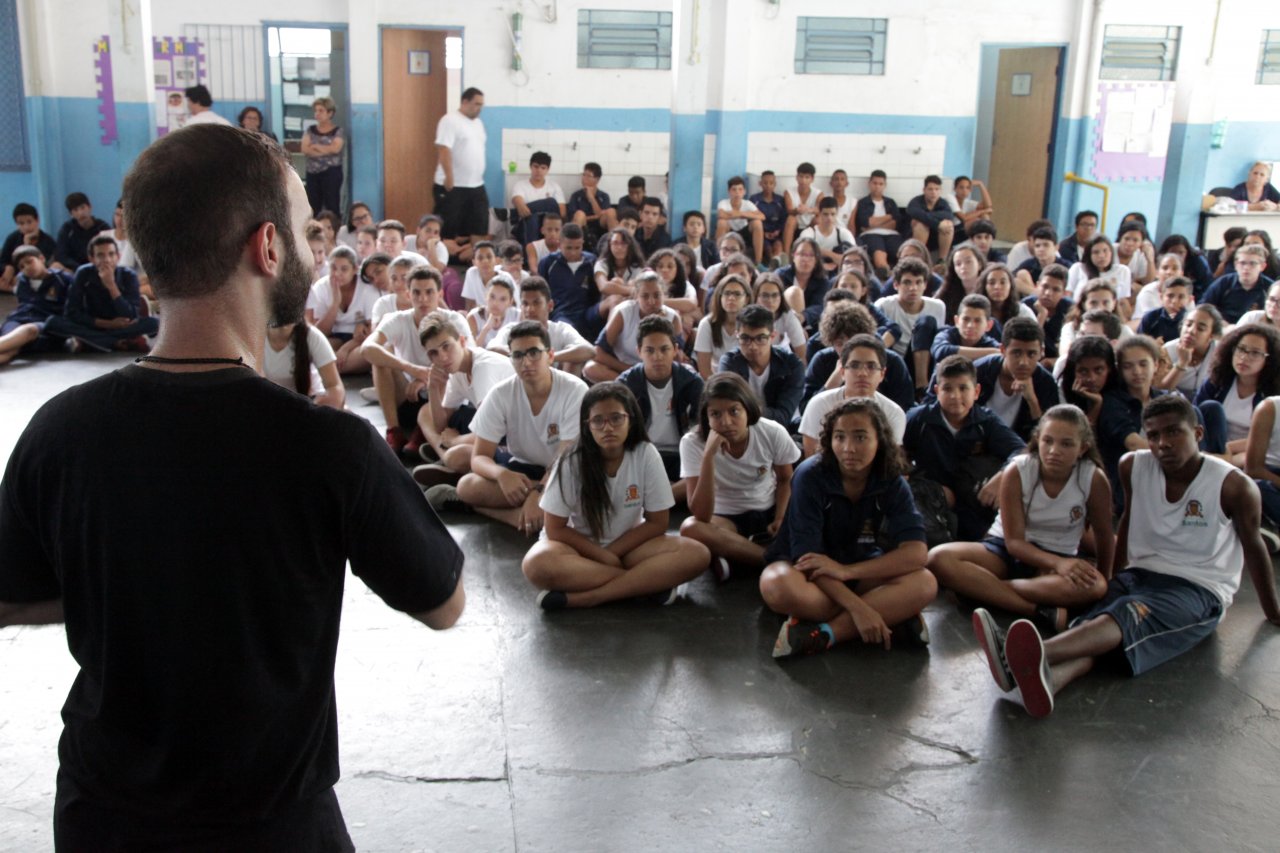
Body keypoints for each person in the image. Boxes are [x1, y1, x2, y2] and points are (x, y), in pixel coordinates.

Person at [0, 123, 464, 848]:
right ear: (268, 246)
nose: (314, 249)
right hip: (269, 824)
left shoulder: (59, 430)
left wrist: (139, 580)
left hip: (103, 817)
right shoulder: (325, 446)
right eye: (308, 230)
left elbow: (12, 595)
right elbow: (443, 598)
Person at [974, 395, 1280, 718]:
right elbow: (1129, 522)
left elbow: (1254, 547)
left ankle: (1024, 656)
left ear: (1198, 434)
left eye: (1174, 433)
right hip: (1139, 574)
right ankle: (1052, 681)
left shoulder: (1233, 486)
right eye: (1153, 435)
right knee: (1093, 625)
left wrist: (1273, 611)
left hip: (1198, 587)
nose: (1163, 443)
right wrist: (1114, 578)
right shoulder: (1134, 466)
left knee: (1123, 615)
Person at [763, 398, 936, 656]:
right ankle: (890, 614)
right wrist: (860, 608)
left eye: (860, 438)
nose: (848, 448)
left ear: (880, 440)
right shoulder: (811, 474)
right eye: (839, 437)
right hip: (804, 571)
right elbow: (806, 558)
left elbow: (916, 553)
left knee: (926, 583)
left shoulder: (891, 479)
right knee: (776, 586)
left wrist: (846, 571)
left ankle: (826, 634)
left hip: (856, 569)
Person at [930, 404, 1113, 642]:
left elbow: (1104, 535)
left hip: (1053, 561)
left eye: (1066, 444)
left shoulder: (1092, 478)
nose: (1054, 451)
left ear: (1083, 448)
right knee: (938, 557)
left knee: (1095, 587)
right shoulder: (1018, 470)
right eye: (1048, 441)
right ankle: (1037, 611)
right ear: (1038, 440)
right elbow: (1014, 543)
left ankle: (983, 590)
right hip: (1003, 551)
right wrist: (1059, 565)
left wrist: (1108, 581)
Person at [522, 382, 710, 609]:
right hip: (577, 552)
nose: (607, 427)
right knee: (536, 565)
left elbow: (657, 522)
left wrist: (612, 552)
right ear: (587, 425)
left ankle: (587, 598)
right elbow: (555, 528)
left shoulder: (645, 453)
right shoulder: (571, 460)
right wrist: (602, 555)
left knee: (697, 553)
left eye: (616, 418)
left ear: (630, 419)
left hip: (630, 547)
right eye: (598, 421)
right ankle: (645, 584)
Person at [432, 321, 588, 531]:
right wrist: (502, 475)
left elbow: (565, 459)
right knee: (466, 486)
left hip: (566, 473)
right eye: (518, 355)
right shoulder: (501, 394)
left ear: (550, 356)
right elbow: (479, 457)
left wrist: (539, 491)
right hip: (524, 469)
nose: (526, 362)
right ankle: (534, 517)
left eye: (534, 352)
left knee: (580, 496)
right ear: (511, 359)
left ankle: (487, 510)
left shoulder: (574, 390)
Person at [678, 373, 800, 582]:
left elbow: (785, 479)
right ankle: (768, 558)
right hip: (724, 519)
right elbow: (701, 514)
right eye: (715, 414)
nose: (725, 422)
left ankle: (737, 556)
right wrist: (708, 456)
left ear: (748, 409)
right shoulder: (692, 442)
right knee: (691, 528)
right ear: (706, 417)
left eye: (734, 411)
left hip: (767, 511)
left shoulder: (771, 431)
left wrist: (780, 517)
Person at [902, 355, 1027, 540]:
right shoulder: (918, 419)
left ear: (976, 391)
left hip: (973, 497)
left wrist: (1001, 477)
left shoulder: (986, 421)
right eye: (947, 388)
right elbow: (896, 452)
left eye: (963, 388)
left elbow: (1020, 451)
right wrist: (920, 482)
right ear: (936, 391)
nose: (955, 396)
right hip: (931, 498)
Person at [361, 266, 470, 452]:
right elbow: (367, 348)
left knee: (448, 369)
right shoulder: (397, 319)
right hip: (407, 394)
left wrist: (426, 378)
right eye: (417, 293)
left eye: (429, 292)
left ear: (439, 294)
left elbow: (467, 360)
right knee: (379, 360)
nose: (423, 299)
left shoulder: (454, 320)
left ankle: (424, 430)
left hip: (444, 401)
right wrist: (412, 369)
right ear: (408, 294)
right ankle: (393, 430)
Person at [412, 310, 516, 486]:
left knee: (456, 455)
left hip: (518, 438)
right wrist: (433, 388)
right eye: (434, 353)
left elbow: (490, 433)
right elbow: (440, 425)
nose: (442, 357)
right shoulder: (457, 370)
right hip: (497, 431)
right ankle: (452, 463)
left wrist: (453, 441)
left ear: (462, 341)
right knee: (425, 413)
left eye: (446, 346)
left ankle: (450, 462)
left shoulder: (483, 368)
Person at [618, 315, 703, 501]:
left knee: (711, 468)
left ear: (675, 350)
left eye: (664, 349)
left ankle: (657, 498)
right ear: (639, 351)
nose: (657, 357)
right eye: (650, 350)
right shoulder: (625, 384)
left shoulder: (692, 382)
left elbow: (702, 430)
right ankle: (666, 496)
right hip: (642, 455)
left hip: (681, 456)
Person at [44, 234, 158, 353]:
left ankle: (92, 343)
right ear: (91, 258)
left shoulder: (128, 275)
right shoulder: (83, 273)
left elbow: (131, 315)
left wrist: (111, 286)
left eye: (111, 254)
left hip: (121, 327)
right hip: (93, 325)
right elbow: (71, 312)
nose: (107, 260)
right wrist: (108, 324)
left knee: (154, 323)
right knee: (51, 322)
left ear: (118, 257)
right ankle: (114, 343)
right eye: (100, 255)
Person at [799, 334, 907, 455]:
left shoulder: (894, 412)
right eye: (855, 366)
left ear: (882, 374)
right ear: (843, 372)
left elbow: (889, 461)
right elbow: (812, 459)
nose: (862, 373)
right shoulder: (820, 404)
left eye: (871, 366)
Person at [1195, 323, 1280, 466]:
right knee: (1211, 407)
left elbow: (1269, 438)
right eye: (1241, 349)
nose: (1244, 357)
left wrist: (1228, 452)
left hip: (1250, 453)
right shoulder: (1217, 381)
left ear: (1269, 360)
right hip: (1207, 447)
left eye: (1255, 353)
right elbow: (1194, 416)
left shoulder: (1273, 395)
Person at [1099, 335, 1168, 509]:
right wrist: (1179, 455)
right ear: (1120, 370)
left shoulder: (1164, 399)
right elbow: (1133, 444)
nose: (1137, 372)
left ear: (1156, 365)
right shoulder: (1112, 402)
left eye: (1143, 364)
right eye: (1128, 366)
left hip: (1166, 471)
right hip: (1129, 481)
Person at [584, 270, 683, 383]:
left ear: (664, 295)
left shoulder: (673, 317)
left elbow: (677, 358)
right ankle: (632, 390)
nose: (651, 301)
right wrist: (631, 371)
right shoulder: (623, 313)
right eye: (645, 296)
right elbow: (597, 352)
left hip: (657, 370)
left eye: (657, 295)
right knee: (591, 369)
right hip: (624, 369)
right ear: (636, 296)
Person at [717, 304, 806, 427]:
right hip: (740, 429)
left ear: (773, 336)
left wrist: (745, 408)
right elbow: (727, 408)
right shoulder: (729, 362)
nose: (752, 346)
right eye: (745, 338)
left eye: (760, 338)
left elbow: (783, 417)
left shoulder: (792, 365)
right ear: (737, 335)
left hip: (784, 433)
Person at [971, 317, 1060, 440]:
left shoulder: (1046, 383)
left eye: (1031, 354)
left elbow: (1047, 438)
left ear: (1041, 352)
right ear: (1003, 350)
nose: (1023, 362)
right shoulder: (978, 372)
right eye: (1016, 353)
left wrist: (1032, 401)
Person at [486, 276, 594, 373]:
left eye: (536, 303)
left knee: (575, 357)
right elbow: (491, 348)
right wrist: (521, 355)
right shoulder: (511, 330)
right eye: (525, 303)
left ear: (550, 305)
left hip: (556, 389)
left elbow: (589, 350)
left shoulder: (560, 329)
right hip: (520, 388)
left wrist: (547, 357)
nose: (530, 309)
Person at [874, 256, 946, 393]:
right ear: (896, 285)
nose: (913, 288)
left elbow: (938, 343)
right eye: (907, 283)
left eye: (918, 282)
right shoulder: (884, 305)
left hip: (925, 363)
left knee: (927, 322)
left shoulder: (938, 306)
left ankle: (922, 388)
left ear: (925, 285)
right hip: (894, 362)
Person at [434, 88, 489, 249]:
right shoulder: (450, 120)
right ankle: (445, 265)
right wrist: (449, 176)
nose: (479, 108)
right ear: (465, 102)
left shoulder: (478, 123)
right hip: (453, 185)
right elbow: (444, 148)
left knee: (479, 224)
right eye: (476, 104)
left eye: (481, 105)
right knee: (448, 228)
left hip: (476, 184)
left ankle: (476, 260)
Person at [0, 246, 72, 363]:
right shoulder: (22, 281)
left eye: (30, 262)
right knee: (10, 350)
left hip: (44, 322)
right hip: (18, 319)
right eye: (22, 267)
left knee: (29, 330)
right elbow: (22, 305)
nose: (27, 268)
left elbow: (72, 307)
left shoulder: (62, 279)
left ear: (42, 258)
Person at [539, 223, 605, 339]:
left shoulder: (592, 261)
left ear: (582, 244)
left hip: (587, 312)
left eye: (577, 248)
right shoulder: (547, 263)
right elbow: (542, 293)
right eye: (569, 248)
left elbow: (597, 294)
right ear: (559, 244)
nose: (573, 252)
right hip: (561, 313)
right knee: (568, 330)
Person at [263, 319, 344, 409]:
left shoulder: (313, 336)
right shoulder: (253, 337)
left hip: (311, 404)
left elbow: (335, 386)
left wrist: (317, 406)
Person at [1200, 243, 1273, 324]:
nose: (1246, 268)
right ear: (1236, 265)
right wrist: (1219, 323)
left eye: (1252, 263)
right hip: (1223, 327)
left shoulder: (1269, 288)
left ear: (1262, 266)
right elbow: (1204, 307)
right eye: (1242, 263)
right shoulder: (1223, 283)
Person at [694, 274, 750, 378]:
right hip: (716, 380)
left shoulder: (753, 324)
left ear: (746, 299)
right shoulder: (707, 324)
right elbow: (704, 370)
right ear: (720, 297)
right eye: (727, 293)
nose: (731, 298)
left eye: (737, 294)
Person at [855, 170, 904, 277]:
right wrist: (888, 217)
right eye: (875, 183)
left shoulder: (890, 202)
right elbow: (866, 222)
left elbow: (895, 224)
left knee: (902, 252)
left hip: (892, 234)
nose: (877, 186)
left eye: (880, 184)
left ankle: (905, 272)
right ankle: (886, 272)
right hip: (870, 235)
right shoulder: (863, 202)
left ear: (885, 185)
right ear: (869, 184)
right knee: (878, 252)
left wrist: (873, 224)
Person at [1059, 335, 1117, 427]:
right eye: (1083, 371)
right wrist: (1097, 405)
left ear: (1109, 368)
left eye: (1098, 370)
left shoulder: (1121, 391)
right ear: (1073, 371)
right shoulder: (1063, 389)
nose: (1091, 378)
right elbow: (1077, 437)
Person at [510, 151, 566, 245]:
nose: (539, 171)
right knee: (533, 218)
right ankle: (532, 256)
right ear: (530, 167)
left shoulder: (554, 187)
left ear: (547, 169)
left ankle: (511, 214)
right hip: (525, 226)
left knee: (551, 202)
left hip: (549, 226)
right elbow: (522, 210)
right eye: (536, 166)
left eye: (543, 168)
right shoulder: (520, 185)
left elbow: (562, 213)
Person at [301, 97, 345, 218]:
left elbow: (336, 149)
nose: (317, 114)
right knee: (313, 205)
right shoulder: (310, 130)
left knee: (332, 204)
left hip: (331, 173)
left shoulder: (337, 131)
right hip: (312, 173)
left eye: (321, 110)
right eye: (316, 111)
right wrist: (326, 149)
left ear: (330, 113)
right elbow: (305, 149)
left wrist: (315, 146)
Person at [1022, 263, 1073, 366]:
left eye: (1056, 289)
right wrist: (1041, 316)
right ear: (1037, 286)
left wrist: (1055, 361)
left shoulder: (1071, 309)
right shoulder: (1025, 307)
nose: (1048, 293)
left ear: (1064, 293)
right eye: (1045, 287)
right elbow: (1025, 344)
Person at [1, 203, 58, 292]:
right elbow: (3, 259)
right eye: (21, 223)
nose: (26, 227)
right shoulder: (13, 238)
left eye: (29, 222)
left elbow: (42, 266)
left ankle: (11, 289)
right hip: (14, 275)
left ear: (37, 220)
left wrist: (27, 245)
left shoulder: (47, 241)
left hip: (33, 276)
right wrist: (7, 268)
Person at [779, 236, 831, 330]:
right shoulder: (781, 275)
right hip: (782, 322)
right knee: (794, 292)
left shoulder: (822, 281)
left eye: (811, 255)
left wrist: (803, 316)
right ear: (793, 256)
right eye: (801, 254)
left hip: (811, 326)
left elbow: (820, 306)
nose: (806, 259)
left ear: (816, 260)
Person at [753, 272, 806, 359]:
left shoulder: (788, 317)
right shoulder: (746, 318)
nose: (770, 300)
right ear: (756, 296)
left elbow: (801, 355)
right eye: (765, 296)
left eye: (775, 295)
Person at [798, 197, 856, 276]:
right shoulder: (809, 233)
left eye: (832, 214)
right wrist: (824, 263)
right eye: (825, 214)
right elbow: (802, 254)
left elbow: (855, 257)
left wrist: (828, 255)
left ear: (837, 213)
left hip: (838, 274)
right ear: (819, 213)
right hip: (814, 272)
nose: (829, 218)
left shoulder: (843, 233)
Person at [1067, 235, 1133, 304]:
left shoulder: (1123, 271)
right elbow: (1068, 295)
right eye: (1096, 252)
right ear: (1089, 255)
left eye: (1105, 251)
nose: (1101, 256)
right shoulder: (1078, 268)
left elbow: (1123, 301)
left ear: (1111, 252)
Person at [52, 193, 109, 271]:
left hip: (98, 267)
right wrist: (79, 268)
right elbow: (61, 255)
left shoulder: (102, 227)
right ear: (71, 214)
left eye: (83, 208)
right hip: (75, 269)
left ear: (90, 207)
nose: (81, 213)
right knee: (55, 266)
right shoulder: (67, 229)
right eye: (76, 210)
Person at [715, 176, 765, 264]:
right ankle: (718, 260)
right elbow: (721, 215)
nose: (737, 192)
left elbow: (762, 216)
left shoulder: (748, 204)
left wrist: (740, 214)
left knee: (757, 223)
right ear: (729, 191)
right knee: (721, 223)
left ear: (744, 191)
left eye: (740, 189)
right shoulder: (723, 203)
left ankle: (758, 262)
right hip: (729, 231)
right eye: (734, 190)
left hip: (744, 232)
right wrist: (748, 214)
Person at [905, 175, 955, 263]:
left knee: (948, 224)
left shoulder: (943, 203)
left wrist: (927, 216)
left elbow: (949, 215)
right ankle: (918, 259)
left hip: (937, 237)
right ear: (924, 190)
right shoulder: (916, 201)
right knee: (921, 224)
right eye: (930, 189)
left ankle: (942, 260)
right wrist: (938, 224)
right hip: (916, 236)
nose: (933, 192)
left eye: (937, 189)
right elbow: (914, 212)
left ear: (940, 190)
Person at [468, 272, 520, 348]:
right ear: (486, 296)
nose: (495, 303)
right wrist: (486, 329)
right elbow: (470, 351)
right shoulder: (474, 317)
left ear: (510, 302)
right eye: (492, 297)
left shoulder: (517, 316)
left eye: (503, 299)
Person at [1136, 274, 1192, 344]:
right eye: (1170, 296)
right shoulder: (1150, 318)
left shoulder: (1191, 322)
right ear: (1161, 297)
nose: (1174, 301)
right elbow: (1139, 345)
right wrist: (1152, 345)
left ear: (1190, 300)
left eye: (1181, 297)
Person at [1131, 252, 1185, 324]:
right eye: (1165, 268)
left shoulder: (1186, 291)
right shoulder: (1148, 292)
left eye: (1175, 268)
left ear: (1181, 274)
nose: (1169, 272)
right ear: (1157, 273)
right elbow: (1153, 320)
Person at [749, 170, 788, 265]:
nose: (768, 186)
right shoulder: (754, 199)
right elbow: (750, 218)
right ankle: (772, 264)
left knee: (778, 246)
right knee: (768, 248)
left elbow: (783, 219)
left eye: (771, 183)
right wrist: (764, 233)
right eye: (765, 183)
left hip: (776, 233)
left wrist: (778, 231)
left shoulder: (780, 200)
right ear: (760, 184)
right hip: (761, 234)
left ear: (775, 184)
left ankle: (778, 265)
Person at [782, 162, 823, 252]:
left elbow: (820, 210)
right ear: (796, 177)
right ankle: (786, 253)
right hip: (796, 223)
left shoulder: (818, 193)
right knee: (791, 219)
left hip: (810, 223)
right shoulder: (788, 192)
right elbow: (789, 210)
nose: (803, 180)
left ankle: (817, 252)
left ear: (812, 179)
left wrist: (808, 210)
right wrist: (798, 210)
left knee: (818, 220)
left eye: (807, 177)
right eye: (801, 176)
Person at [567, 162, 610, 244]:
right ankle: (573, 246)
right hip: (582, 227)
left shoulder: (604, 196)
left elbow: (603, 217)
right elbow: (573, 219)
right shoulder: (576, 196)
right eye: (583, 175)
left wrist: (591, 198)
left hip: (600, 227)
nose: (584, 178)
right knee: (580, 214)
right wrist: (595, 217)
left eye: (588, 176)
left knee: (611, 212)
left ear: (597, 179)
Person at [944, 175, 993, 244]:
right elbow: (964, 218)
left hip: (960, 231)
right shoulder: (950, 198)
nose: (964, 191)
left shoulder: (967, 202)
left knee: (985, 216)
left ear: (970, 190)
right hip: (949, 232)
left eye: (967, 188)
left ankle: (986, 243)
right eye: (961, 187)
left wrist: (981, 185)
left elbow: (988, 205)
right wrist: (983, 211)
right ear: (955, 189)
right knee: (977, 219)